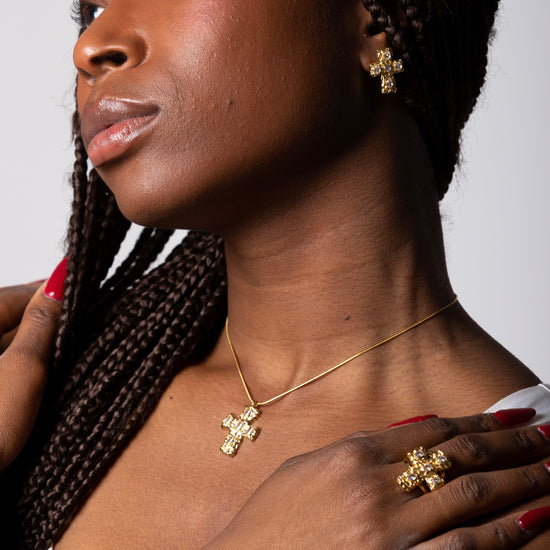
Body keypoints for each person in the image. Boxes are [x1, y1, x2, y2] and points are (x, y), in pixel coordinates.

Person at [1, 0, 550, 548]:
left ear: (379, 21)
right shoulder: (47, 393)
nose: (90, 47)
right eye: (92, 9)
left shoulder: (506, 498)